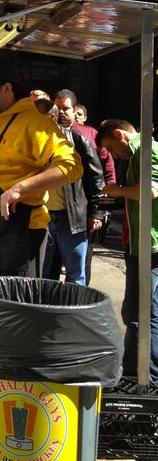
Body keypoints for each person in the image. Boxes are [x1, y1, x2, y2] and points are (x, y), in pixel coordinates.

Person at [0, 61, 83, 278]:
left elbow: (71, 167)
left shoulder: (36, 124)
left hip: (21, 235)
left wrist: (20, 188)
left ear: (7, 88)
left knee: (15, 306)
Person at [96, 119, 158, 383]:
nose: (113, 156)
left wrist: (117, 190)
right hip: (139, 242)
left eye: (112, 147)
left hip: (149, 244)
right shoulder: (139, 153)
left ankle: (147, 376)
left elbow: (151, 191)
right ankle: (134, 371)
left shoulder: (147, 150)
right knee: (136, 312)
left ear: (120, 135)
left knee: (142, 313)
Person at [42, 89, 105, 286]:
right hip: (43, 216)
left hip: (71, 218)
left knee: (75, 276)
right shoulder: (41, 137)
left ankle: (74, 314)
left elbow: (96, 178)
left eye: (65, 108)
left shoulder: (79, 139)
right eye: (57, 108)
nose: (61, 112)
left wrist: (96, 212)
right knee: (44, 274)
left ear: (75, 110)